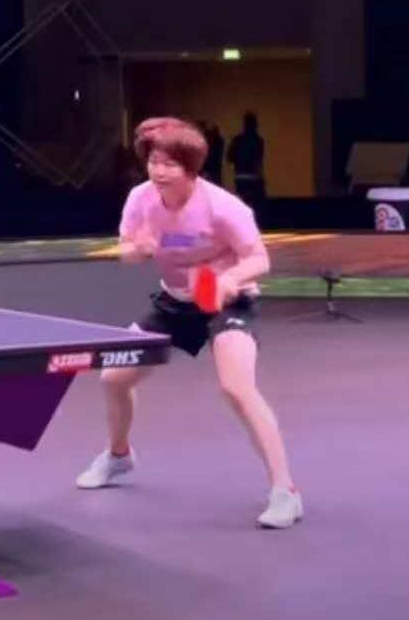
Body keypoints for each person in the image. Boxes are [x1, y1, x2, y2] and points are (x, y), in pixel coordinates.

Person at [76, 116, 302, 529]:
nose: (159, 171)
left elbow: (259, 259)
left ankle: (285, 492)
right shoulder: (140, 199)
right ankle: (119, 456)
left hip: (228, 301)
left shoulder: (223, 207)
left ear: (191, 167)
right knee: (113, 377)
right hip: (175, 303)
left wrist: (228, 280)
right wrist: (138, 250)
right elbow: (127, 252)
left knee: (236, 387)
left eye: (170, 164)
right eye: (154, 162)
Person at [226, 111, 266, 210]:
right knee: (254, 204)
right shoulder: (258, 140)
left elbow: (229, 158)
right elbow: (259, 160)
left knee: (242, 202)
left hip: (240, 176)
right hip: (253, 176)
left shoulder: (237, 140)